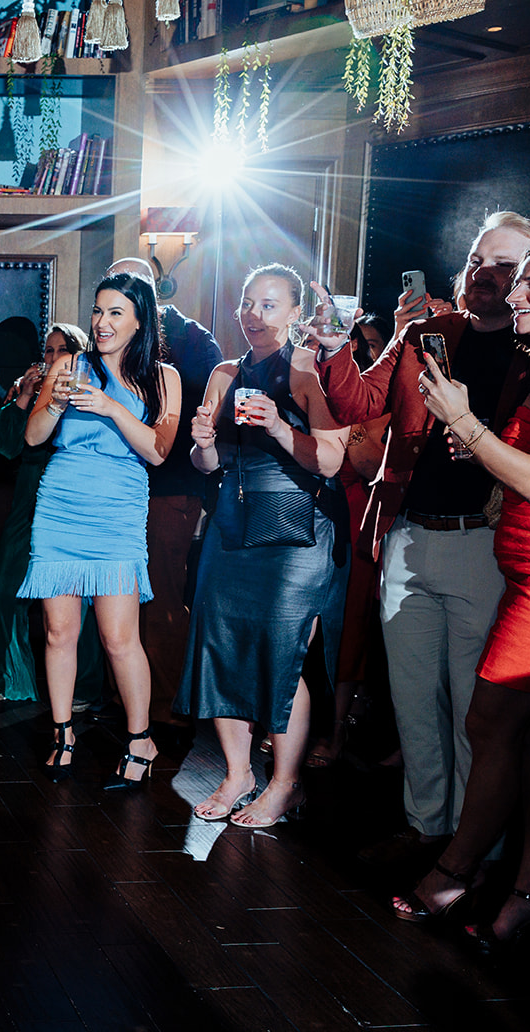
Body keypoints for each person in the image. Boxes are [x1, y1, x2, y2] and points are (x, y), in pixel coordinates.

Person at [309, 212, 530, 868]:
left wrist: (478, 438)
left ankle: (477, 849)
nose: (485, 274)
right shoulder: (428, 332)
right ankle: (425, 826)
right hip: (410, 535)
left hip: (486, 545)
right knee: (414, 699)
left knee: (475, 711)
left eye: (504, 265)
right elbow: (363, 406)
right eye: (477, 260)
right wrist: (336, 348)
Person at [391, 237, 530, 947]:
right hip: (528, 573)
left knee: (490, 722)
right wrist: (474, 442)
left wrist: (463, 421)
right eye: (517, 284)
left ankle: (455, 869)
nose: (516, 296)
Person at [179, 264, 349, 827]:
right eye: (248, 304)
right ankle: (237, 774)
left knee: (283, 653)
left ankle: (284, 784)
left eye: (269, 305)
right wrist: (202, 444)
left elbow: (330, 460)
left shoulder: (304, 367)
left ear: (297, 312)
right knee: (219, 644)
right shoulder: (225, 373)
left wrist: (278, 426)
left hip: (294, 525)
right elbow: (210, 464)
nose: (254, 315)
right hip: (232, 519)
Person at [17, 273, 182, 789]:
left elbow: (158, 451)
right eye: (97, 311)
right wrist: (56, 404)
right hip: (61, 503)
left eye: (115, 313)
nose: (102, 323)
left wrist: (111, 406)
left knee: (118, 638)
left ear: (139, 320)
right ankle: (63, 733)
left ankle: (141, 740)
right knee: (60, 632)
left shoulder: (163, 378)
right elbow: (33, 435)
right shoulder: (68, 365)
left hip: (117, 512)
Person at [109, 257, 224, 748]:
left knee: (161, 593)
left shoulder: (191, 339)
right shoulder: (111, 333)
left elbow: (199, 418)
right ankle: (128, 700)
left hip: (170, 485)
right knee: (121, 597)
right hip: (119, 485)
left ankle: (170, 705)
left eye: (127, 288)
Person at [0, 323, 105, 706]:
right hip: (27, 499)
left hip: (71, 499)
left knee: (77, 601)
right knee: (6, 593)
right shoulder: (28, 391)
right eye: (46, 351)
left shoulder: (84, 391)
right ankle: (13, 680)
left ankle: (83, 688)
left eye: (60, 350)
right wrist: (22, 397)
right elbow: (1, 443)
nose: (50, 358)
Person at [310, 312, 391, 769]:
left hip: (360, 511)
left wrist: (344, 435)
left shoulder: (387, 396)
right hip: (313, 509)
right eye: (357, 342)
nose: (364, 350)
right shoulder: (320, 382)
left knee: (350, 624)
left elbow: (363, 458)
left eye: (373, 343)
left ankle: (339, 730)